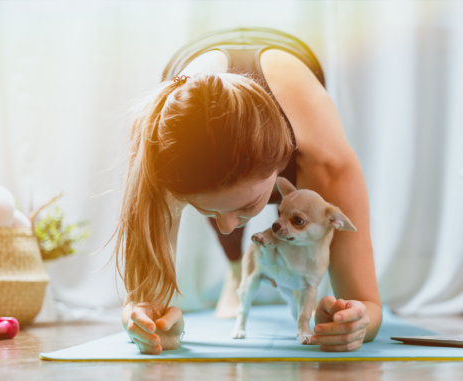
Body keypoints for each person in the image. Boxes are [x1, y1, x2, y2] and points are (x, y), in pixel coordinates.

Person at [115, 27, 381, 354]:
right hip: (186, 95)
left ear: (285, 164)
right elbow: (141, 303)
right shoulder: (157, 151)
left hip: (290, 83)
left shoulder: (324, 157)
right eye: (206, 210)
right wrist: (146, 320)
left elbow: (369, 306)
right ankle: (235, 267)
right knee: (227, 208)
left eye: (247, 207)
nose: (229, 225)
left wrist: (355, 320)